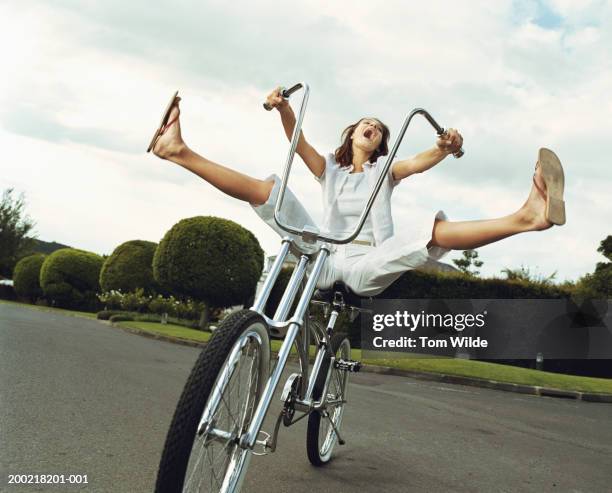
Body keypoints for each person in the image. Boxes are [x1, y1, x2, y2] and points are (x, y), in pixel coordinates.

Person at [147, 88, 566, 296]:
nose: (376, 129)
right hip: (323, 253)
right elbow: (299, 143)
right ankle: (177, 150)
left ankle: (527, 217)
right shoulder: (329, 167)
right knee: (270, 191)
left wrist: (443, 145)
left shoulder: (385, 171)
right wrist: (285, 107)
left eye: (381, 130)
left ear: (381, 142)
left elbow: (419, 160)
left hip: (368, 260)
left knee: (426, 232)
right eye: (369, 124)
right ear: (353, 132)